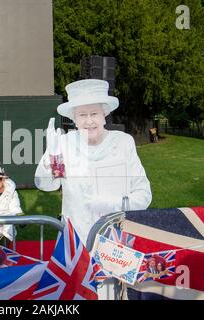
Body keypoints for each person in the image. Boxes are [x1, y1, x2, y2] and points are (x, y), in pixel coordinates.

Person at [35, 79, 152, 245]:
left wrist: (111, 205)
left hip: (115, 239)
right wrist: (53, 156)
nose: (89, 121)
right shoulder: (64, 143)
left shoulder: (123, 142)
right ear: (74, 118)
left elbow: (143, 194)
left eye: (94, 113)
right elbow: (48, 185)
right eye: (82, 115)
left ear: (104, 114)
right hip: (76, 239)